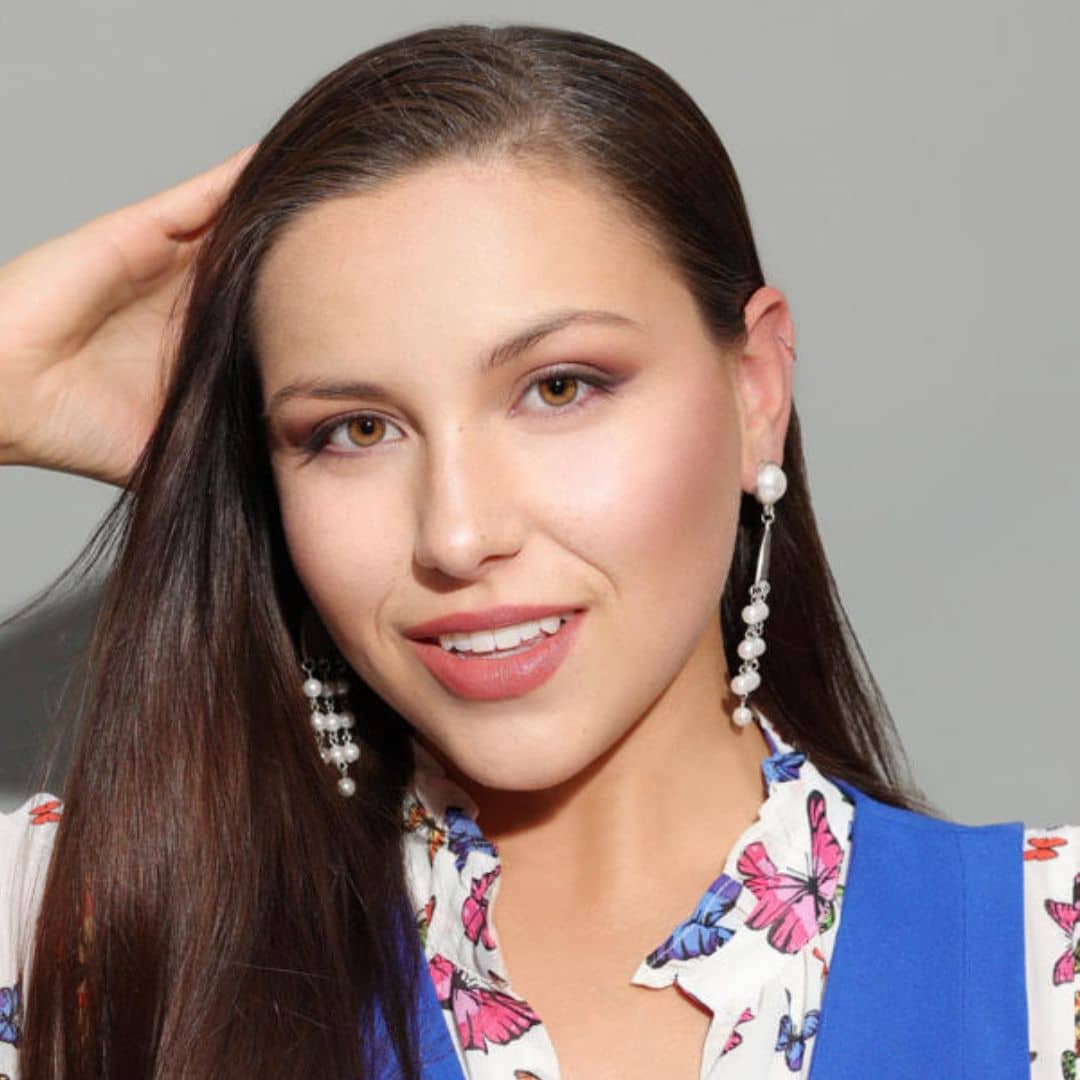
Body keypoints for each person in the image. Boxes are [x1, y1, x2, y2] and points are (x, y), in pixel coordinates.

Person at [0, 21, 1075, 1080]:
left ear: (757, 392)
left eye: (559, 388)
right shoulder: (78, 947)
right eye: (355, 430)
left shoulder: (1049, 971)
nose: (457, 535)